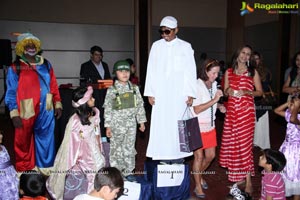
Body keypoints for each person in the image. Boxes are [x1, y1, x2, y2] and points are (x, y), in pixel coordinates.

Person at [4, 33, 62, 172]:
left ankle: (45, 169)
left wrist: (57, 103)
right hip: (25, 109)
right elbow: (11, 92)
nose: (31, 47)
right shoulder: (16, 67)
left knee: (46, 139)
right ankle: (25, 171)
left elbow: (53, 85)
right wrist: (14, 113)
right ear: (21, 48)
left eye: (33, 45)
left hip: (46, 108)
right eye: (27, 45)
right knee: (23, 141)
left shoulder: (46, 64)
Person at [144, 16, 197, 162]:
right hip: (160, 94)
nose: (164, 35)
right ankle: (162, 156)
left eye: (167, 31)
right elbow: (151, 70)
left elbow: (190, 71)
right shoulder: (156, 46)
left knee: (178, 125)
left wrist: (190, 93)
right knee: (161, 125)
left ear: (176, 30)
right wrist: (150, 92)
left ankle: (179, 157)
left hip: (179, 94)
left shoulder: (185, 46)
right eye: (162, 32)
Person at [46, 86, 105, 199]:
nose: (94, 99)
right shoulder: (75, 122)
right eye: (91, 98)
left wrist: (99, 148)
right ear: (84, 102)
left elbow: (97, 134)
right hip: (83, 154)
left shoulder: (93, 114)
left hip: (94, 149)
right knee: (93, 173)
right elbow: (72, 145)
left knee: (101, 165)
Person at [219, 45, 263, 195]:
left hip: (246, 114)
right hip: (231, 114)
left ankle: (249, 181)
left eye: (248, 54)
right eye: (243, 53)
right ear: (237, 54)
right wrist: (228, 91)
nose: (245, 56)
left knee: (245, 147)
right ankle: (238, 178)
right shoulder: (229, 72)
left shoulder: (252, 72)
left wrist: (246, 91)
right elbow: (225, 91)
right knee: (234, 146)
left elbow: (260, 92)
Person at [103, 60, 146, 181]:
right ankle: (117, 174)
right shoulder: (112, 89)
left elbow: (139, 106)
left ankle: (128, 172)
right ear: (115, 73)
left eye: (127, 71)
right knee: (116, 150)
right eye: (121, 71)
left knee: (129, 149)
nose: (124, 74)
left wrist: (141, 122)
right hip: (116, 126)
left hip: (131, 126)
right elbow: (108, 109)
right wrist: (108, 126)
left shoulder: (134, 88)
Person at [190, 58, 226, 198]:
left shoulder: (214, 84)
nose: (215, 76)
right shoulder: (196, 85)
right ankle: (198, 186)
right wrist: (215, 101)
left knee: (211, 156)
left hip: (210, 125)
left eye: (217, 73)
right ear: (205, 70)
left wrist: (219, 106)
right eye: (213, 73)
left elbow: (210, 105)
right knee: (198, 157)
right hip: (196, 125)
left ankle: (197, 176)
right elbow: (197, 109)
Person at [80, 45, 112, 140]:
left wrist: (101, 84)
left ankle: (105, 138)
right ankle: (95, 138)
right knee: (94, 117)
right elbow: (84, 83)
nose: (98, 57)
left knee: (105, 116)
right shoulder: (85, 66)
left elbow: (108, 81)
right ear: (91, 55)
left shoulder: (105, 65)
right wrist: (99, 84)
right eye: (96, 55)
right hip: (93, 97)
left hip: (105, 95)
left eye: (100, 55)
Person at [274, 97, 300, 200]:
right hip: (286, 149)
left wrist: (295, 107)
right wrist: (287, 103)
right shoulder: (290, 116)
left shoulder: (296, 118)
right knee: (284, 174)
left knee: (296, 177)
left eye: (293, 105)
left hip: (296, 152)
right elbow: (276, 110)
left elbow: (294, 120)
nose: (290, 106)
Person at [252, 51, 272, 149]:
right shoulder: (248, 70)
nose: (255, 60)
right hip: (250, 101)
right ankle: (251, 143)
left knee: (261, 124)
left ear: (260, 60)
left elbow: (265, 87)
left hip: (261, 101)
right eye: (253, 58)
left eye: (257, 58)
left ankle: (261, 144)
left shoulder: (265, 71)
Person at [0, 131, 19, 200]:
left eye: (1, 133)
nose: (1, 136)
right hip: (2, 179)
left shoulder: (3, 147)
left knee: (14, 190)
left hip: (10, 173)